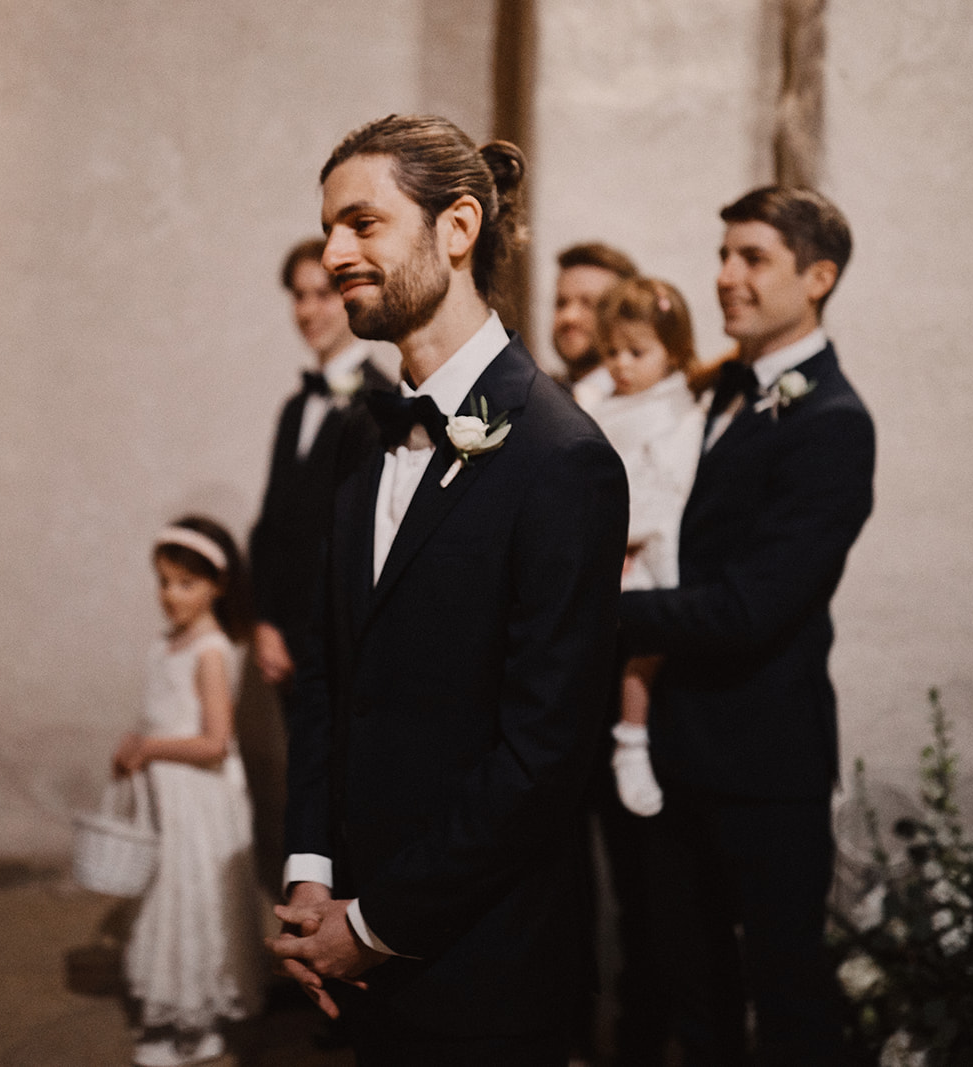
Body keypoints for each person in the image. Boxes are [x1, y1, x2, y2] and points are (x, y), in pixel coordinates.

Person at [265, 114, 629, 1066]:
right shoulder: (357, 434)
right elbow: (326, 679)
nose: (335, 251)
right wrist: (311, 875)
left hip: (488, 974)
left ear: (457, 228)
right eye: (329, 228)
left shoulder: (563, 457)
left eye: (362, 224)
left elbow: (542, 755)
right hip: (350, 954)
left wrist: (377, 922)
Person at [619, 186, 874, 1067]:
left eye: (753, 257)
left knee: (786, 992)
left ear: (818, 277)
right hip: (676, 745)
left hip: (767, 759)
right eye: (723, 254)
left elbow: (750, 606)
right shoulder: (719, 388)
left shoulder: (834, 425)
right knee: (695, 995)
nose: (724, 276)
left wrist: (592, 617)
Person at [111, 516, 266, 1067]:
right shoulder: (167, 645)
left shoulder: (210, 651)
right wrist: (135, 745)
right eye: (163, 581)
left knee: (193, 897)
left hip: (198, 798)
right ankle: (174, 1011)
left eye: (185, 583)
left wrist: (151, 749)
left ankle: (197, 1021)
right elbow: (159, 717)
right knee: (162, 895)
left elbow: (216, 742)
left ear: (218, 587)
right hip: (166, 797)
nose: (170, 596)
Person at [588, 276, 715, 819]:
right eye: (612, 351)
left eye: (637, 352)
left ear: (673, 353)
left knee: (646, 635)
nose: (621, 364)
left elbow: (667, 486)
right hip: (609, 543)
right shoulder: (602, 401)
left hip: (651, 539)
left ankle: (632, 736)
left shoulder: (678, 411)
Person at [250, 238, 392, 697]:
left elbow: (358, 534)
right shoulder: (295, 407)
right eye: (298, 296)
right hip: (285, 639)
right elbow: (273, 521)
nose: (308, 311)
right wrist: (266, 621)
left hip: (342, 639)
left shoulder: (381, 403)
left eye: (323, 294)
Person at [550, 242, 637, 409]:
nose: (570, 317)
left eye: (589, 304)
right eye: (561, 303)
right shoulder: (543, 392)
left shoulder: (636, 404)